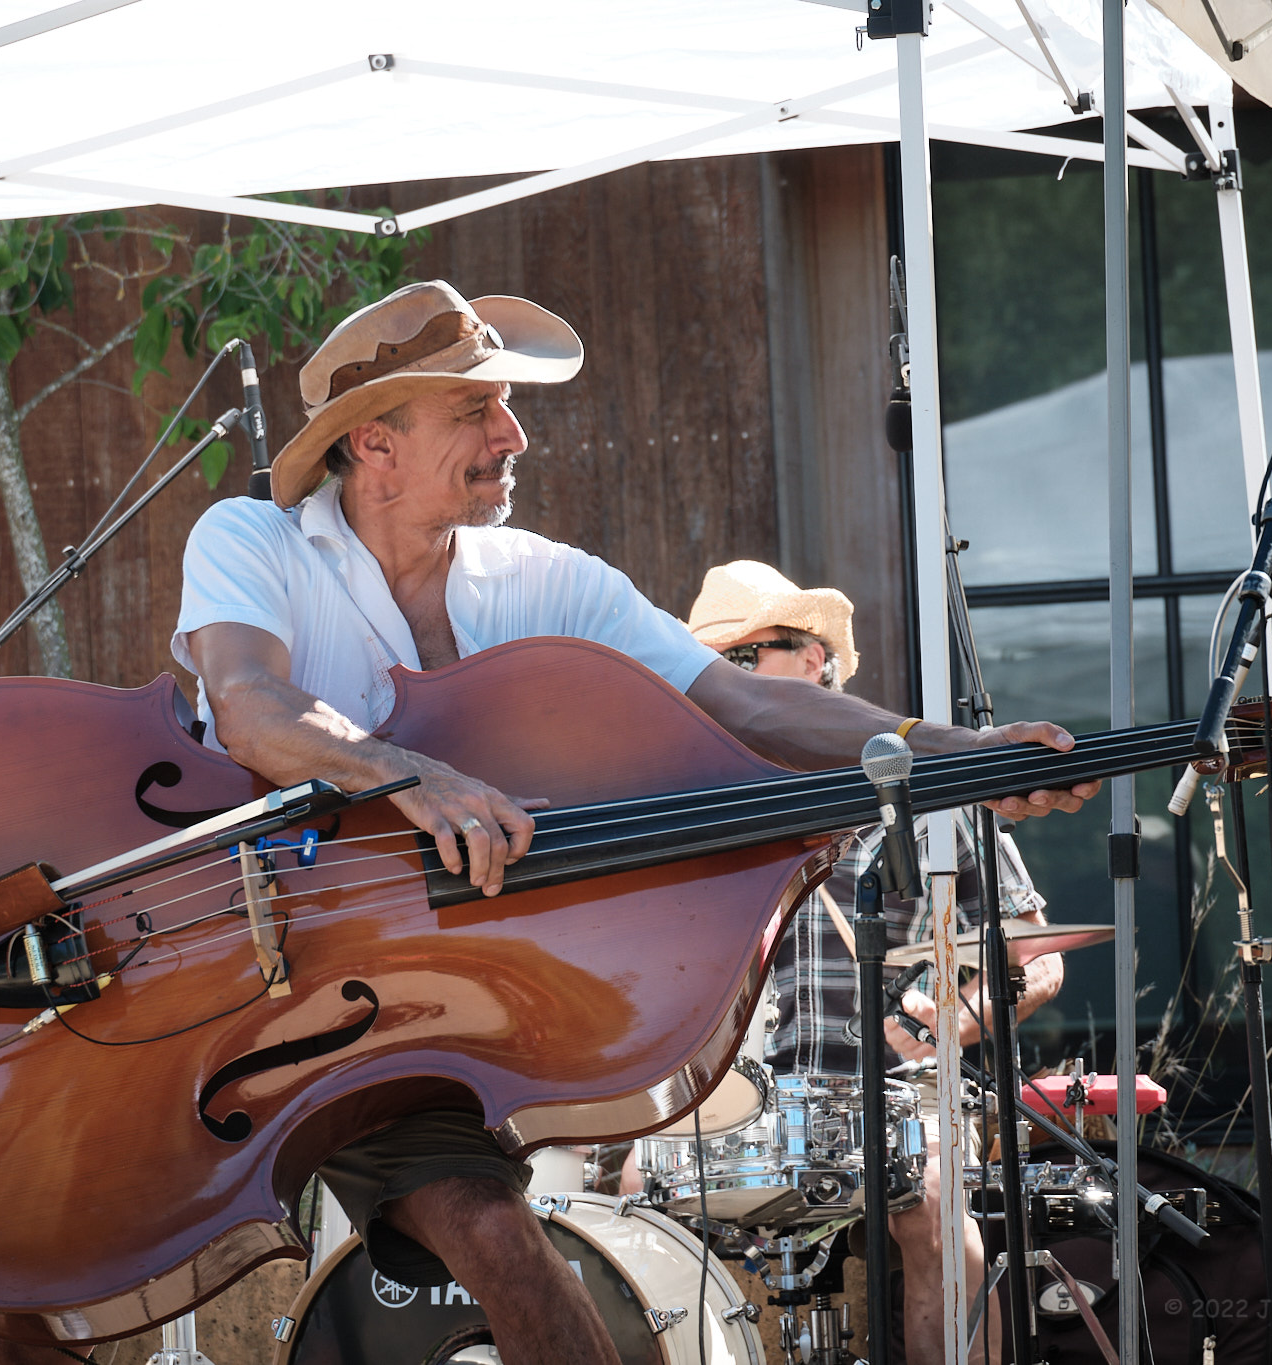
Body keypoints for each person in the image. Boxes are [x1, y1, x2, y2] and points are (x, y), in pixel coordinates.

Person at [152, 281, 1092, 1365]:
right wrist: (405, 773)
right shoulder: (254, 541)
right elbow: (252, 708)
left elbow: (745, 704)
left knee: (499, 1236)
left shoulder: (546, 579)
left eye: (506, 407)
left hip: (402, 1019)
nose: (514, 436)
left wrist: (953, 758)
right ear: (374, 442)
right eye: (476, 412)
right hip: (228, 986)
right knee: (55, 1283)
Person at [686, 559, 1066, 1365]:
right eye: (724, 667)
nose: (737, 681)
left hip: (899, 1094)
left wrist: (960, 1020)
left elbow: (1038, 956)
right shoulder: (703, 803)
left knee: (930, 1208)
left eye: (753, 656)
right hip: (746, 1108)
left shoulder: (926, 797)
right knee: (628, 1210)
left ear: (816, 660)